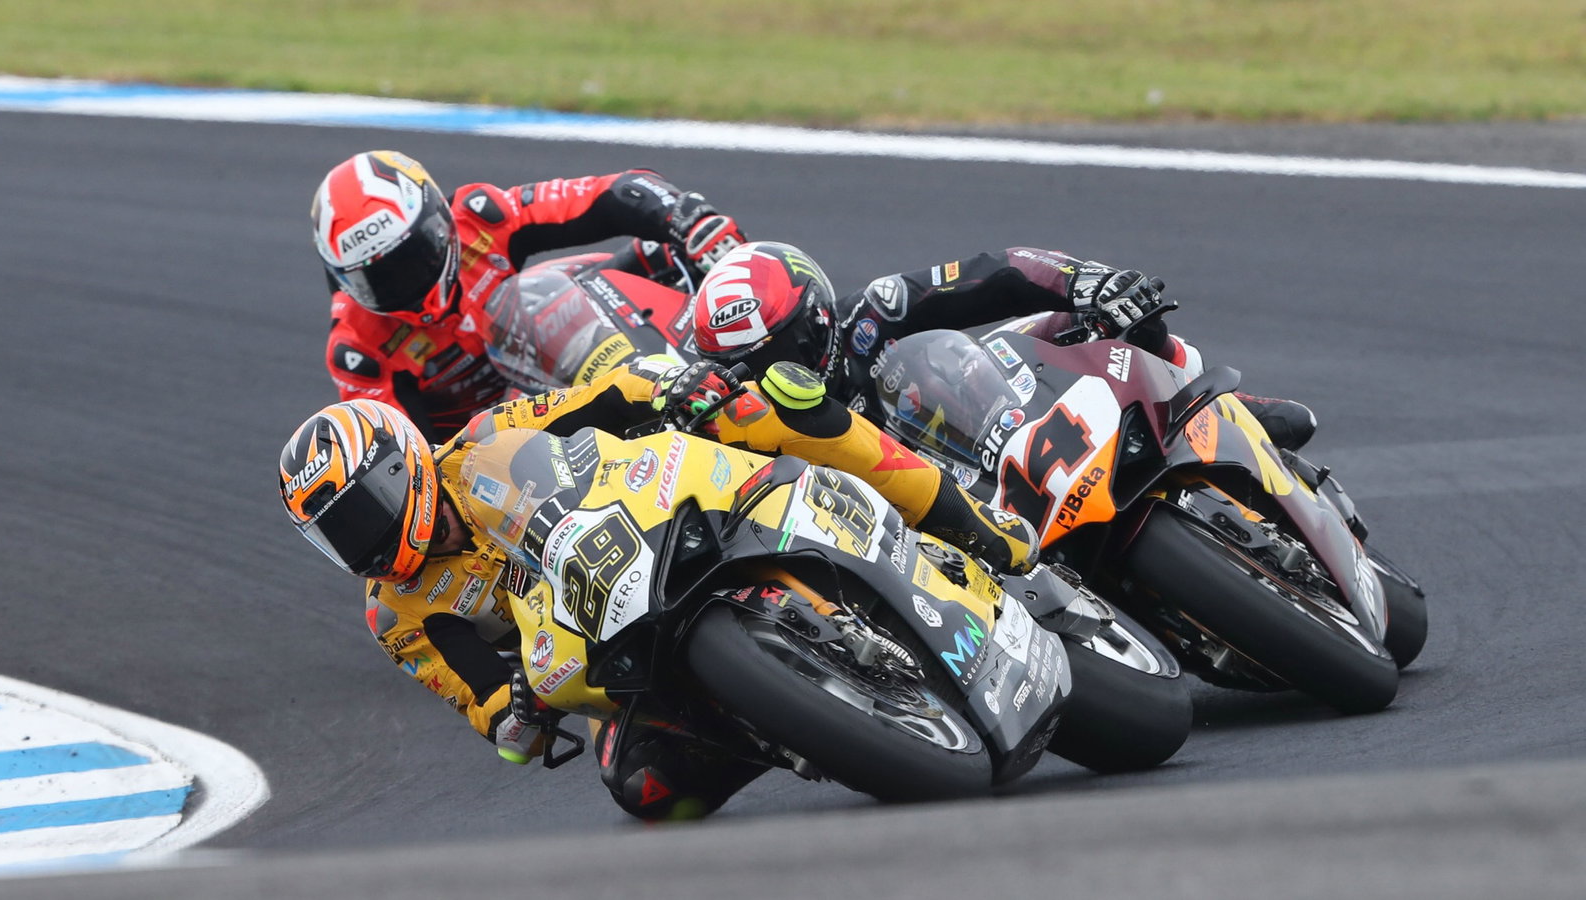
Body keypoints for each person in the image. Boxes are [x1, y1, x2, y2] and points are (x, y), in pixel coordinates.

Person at [277, 357, 1037, 821]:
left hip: (654, 518)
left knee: (769, 407)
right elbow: (487, 707)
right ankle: (795, 723)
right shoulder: (396, 614)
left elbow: (603, 396)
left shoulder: (485, 440)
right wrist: (518, 714)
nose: (365, 542)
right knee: (643, 787)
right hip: (598, 646)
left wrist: (673, 385)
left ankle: (970, 522)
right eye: (339, 535)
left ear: (402, 464)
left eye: (365, 511)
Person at [689, 241, 1317, 451]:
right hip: (930, 517)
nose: (774, 371)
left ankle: (1215, 408)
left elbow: (998, 273)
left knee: (1094, 319)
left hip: (1000, 422)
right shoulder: (740, 420)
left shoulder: (873, 309)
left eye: (784, 348)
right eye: (752, 366)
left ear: (817, 314)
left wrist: (1087, 284)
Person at [312, 150, 747, 442]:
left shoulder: (480, 217)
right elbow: (407, 457)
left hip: (559, 367)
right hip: (493, 446)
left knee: (660, 252)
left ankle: (732, 360)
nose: (404, 284)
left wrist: (689, 218)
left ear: (438, 221)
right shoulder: (356, 348)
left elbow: (613, 191)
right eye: (377, 278)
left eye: (412, 257)